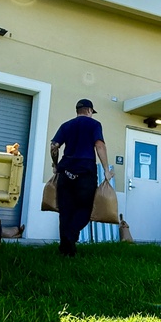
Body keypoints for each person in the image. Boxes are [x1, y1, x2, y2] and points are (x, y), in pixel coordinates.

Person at [50, 98, 112, 257]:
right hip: (85, 172)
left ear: (78, 111)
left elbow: (54, 146)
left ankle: (66, 248)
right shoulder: (94, 124)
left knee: (65, 210)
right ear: (90, 110)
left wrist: (55, 164)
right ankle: (71, 236)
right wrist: (106, 169)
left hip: (65, 172)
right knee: (86, 207)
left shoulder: (66, 125)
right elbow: (99, 145)